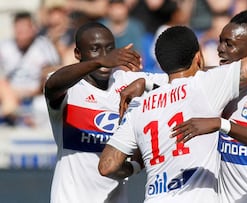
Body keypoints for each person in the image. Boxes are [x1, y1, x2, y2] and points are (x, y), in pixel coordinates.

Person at [98, 25, 247, 203]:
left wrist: (135, 167)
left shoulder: (140, 105)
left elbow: (107, 166)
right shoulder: (206, 85)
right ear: (198, 57)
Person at [170, 8, 247, 202]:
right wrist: (146, 82)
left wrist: (222, 125)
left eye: (229, 44)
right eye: (220, 41)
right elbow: (184, 80)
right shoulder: (220, 86)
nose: (220, 49)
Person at [44, 22, 166, 203]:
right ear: (78, 54)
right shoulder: (70, 88)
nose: (104, 55)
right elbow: (52, 85)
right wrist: (99, 62)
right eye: (95, 49)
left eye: (109, 49)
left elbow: (183, 80)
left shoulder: (129, 82)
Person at [0, 11, 60, 127]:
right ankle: (12, 112)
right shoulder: (5, 46)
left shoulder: (43, 46)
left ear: (33, 29)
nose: (21, 34)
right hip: (9, 92)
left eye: (24, 30)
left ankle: (14, 114)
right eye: (18, 30)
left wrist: (37, 87)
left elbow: (54, 71)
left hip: (35, 94)